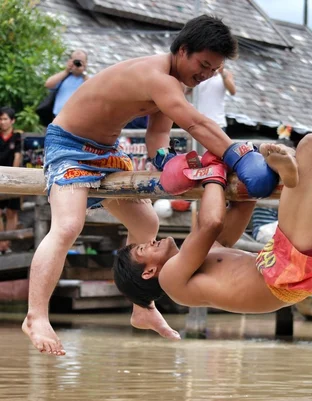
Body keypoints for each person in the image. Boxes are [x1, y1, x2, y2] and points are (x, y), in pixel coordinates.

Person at [23, 15, 278, 356]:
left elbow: (158, 134)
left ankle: (140, 306)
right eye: (203, 64)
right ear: (182, 50)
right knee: (68, 224)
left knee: (146, 222)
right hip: (68, 147)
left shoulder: (176, 83)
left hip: (108, 153)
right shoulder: (157, 76)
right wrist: (238, 155)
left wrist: (163, 160)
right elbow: (196, 123)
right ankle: (36, 316)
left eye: (213, 70)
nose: (205, 75)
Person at [113, 134, 312, 313]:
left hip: (282, 264)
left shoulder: (200, 257)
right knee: (311, 147)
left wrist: (246, 160)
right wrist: (211, 174)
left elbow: (246, 202)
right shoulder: (171, 281)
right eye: (143, 250)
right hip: (283, 274)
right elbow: (211, 223)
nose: (150, 242)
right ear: (150, 271)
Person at [0, 107, 23, 254]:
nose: (2, 122)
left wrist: (12, 176)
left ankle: (7, 245)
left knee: (11, 212)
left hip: (13, 178)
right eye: (0, 119)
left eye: (5, 119)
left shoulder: (17, 138)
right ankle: (1, 243)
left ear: (12, 120)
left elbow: (18, 156)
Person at [189, 65, 236, 131]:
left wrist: (222, 74)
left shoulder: (225, 73)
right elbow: (186, 91)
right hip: (198, 122)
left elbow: (233, 91)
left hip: (218, 123)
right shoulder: (199, 73)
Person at [44, 49, 89, 118]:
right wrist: (66, 70)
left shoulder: (86, 80)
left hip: (77, 119)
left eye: (80, 62)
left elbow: (96, 90)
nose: (77, 64)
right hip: (57, 117)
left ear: (85, 64)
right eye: (75, 61)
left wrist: (83, 71)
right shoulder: (64, 77)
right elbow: (48, 84)